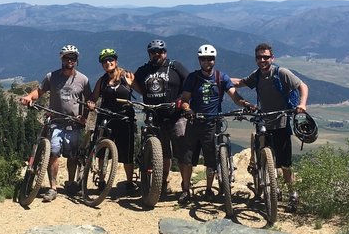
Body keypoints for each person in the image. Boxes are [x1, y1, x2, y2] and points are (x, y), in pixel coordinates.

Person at [232, 42, 309, 212]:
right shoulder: (257, 75)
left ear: (272, 58)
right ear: (256, 59)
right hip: (264, 120)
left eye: (266, 57)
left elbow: (302, 86)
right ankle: (272, 187)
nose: (262, 60)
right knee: (267, 157)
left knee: (285, 162)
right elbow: (241, 82)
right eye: (259, 57)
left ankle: (292, 193)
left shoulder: (281, 72)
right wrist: (219, 79)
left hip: (281, 121)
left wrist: (302, 104)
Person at [178, 44, 254, 205]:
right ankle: (185, 190)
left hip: (212, 123)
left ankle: (208, 189)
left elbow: (235, 96)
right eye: (204, 59)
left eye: (210, 58)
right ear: (199, 60)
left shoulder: (221, 78)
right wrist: (188, 109)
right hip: (194, 122)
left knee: (211, 160)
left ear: (214, 60)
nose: (207, 61)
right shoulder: (193, 78)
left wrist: (246, 104)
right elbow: (184, 100)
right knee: (187, 159)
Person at [19, 44, 92, 202]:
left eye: (72, 58)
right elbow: (39, 91)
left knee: (72, 156)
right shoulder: (52, 77)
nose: (70, 61)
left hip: (73, 123)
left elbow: (89, 100)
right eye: (67, 57)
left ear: (76, 60)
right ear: (62, 59)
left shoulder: (83, 80)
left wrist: (84, 116)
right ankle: (53, 188)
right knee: (53, 153)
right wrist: (29, 98)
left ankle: (71, 183)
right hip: (56, 122)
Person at [132, 39, 189, 196]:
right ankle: (162, 184)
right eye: (153, 52)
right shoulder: (144, 70)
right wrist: (134, 87)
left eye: (160, 51)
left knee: (182, 153)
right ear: (149, 54)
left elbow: (189, 82)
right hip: (155, 117)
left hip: (176, 116)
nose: (157, 54)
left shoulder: (175, 66)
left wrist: (182, 100)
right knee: (162, 154)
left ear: (165, 52)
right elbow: (136, 83)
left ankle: (185, 188)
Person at [87, 48, 137, 194]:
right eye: (104, 61)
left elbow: (141, 91)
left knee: (127, 152)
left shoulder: (126, 75)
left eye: (110, 60)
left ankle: (129, 182)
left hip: (124, 117)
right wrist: (91, 103)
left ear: (116, 61)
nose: (108, 63)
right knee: (102, 151)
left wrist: (132, 84)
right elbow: (93, 97)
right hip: (105, 117)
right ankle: (102, 180)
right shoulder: (102, 81)